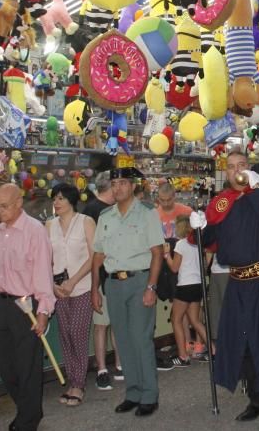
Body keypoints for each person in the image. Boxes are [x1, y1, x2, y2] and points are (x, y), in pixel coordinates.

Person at [190, 152, 259, 424]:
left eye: (241, 165)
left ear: (250, 169)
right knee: (245, 342)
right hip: (239, 282)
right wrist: (199, 227)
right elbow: (208, 240)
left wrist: (254, 191)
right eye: (230, 167)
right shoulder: (221, 202)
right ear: (226, 173)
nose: (236, 171)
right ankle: (258, 399)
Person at [91, 164, 164, 417]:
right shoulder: (105, 216)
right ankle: (132, 393)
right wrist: (94, 289)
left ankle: (149, 395)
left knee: (140, 339)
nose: (118, 188)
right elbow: (98, 256)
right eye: (114, 184)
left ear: (133, 186)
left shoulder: (147, 213)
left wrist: (151, 287)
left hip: (139, 281)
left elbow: (157, 253)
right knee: (122, 341)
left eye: (123, 183)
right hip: (113, 283)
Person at [0, 183, 55, 431]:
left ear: (18, 203)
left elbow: (43, 273)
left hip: (26, 306)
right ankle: (28, 411)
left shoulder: (35, 231)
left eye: (3, 206)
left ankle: (28, 420)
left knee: (27, 369)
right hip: (3, 306)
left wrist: (43, 311)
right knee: (7, 370)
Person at [47, 183, 95, 407]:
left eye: (60, 198)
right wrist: (53, 284)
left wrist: (73, 280)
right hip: (58, 289)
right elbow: (45, 258)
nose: (56, 202)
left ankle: (78, 383)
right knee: (65, 334)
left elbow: (94, 256)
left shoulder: (85, 222)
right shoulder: (49, 225)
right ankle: (72, 381)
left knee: (77, 332)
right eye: (54, 198)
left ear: (71, 200)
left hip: (82, 286)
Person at [81, 171, 123, 390]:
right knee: (101, 325)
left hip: (116, 275)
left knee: (116, 323)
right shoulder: (93, 212)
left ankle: (119, 364)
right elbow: (95, 252)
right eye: (117, 184)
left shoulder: (113, 209)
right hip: (102, 277)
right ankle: (102, 368)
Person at [164, 215, 209, 367]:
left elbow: (174, 268)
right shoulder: (198, 244)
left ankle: (183, 356)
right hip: (198, 285)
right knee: (196, 321)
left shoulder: (180, 245)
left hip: (185, 286)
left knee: (176, 319)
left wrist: (166, 256)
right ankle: (213, 350)